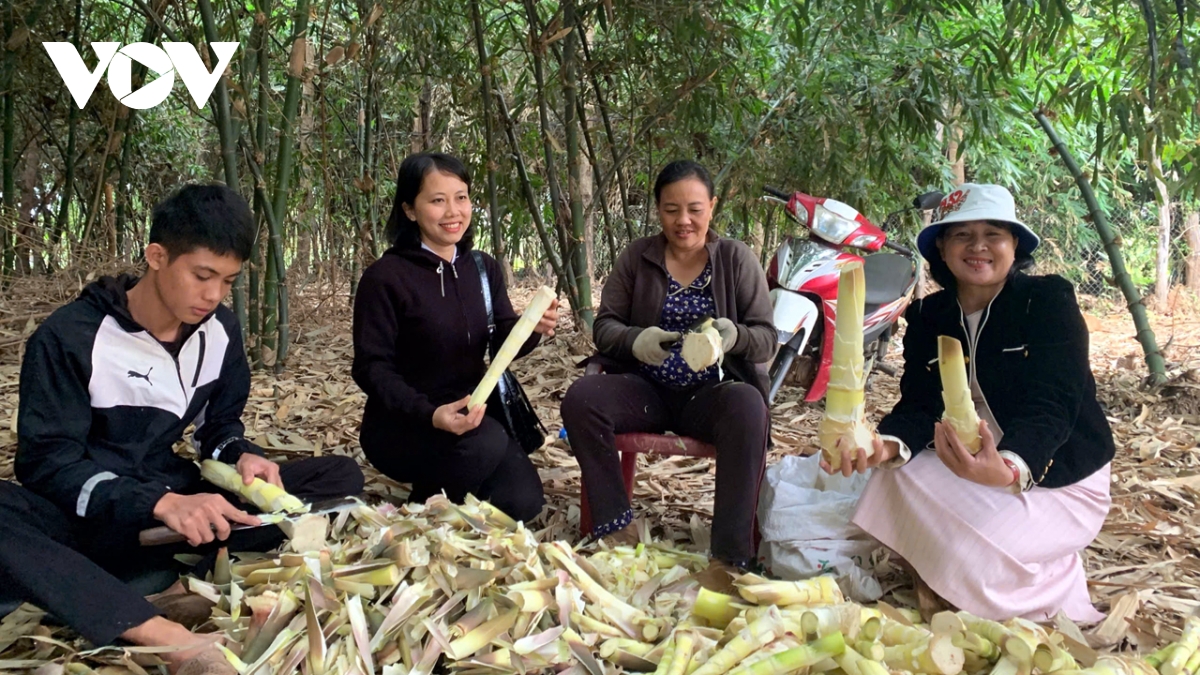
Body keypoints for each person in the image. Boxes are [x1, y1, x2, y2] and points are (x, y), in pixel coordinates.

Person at [0, 184, 364, 674]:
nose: (213, 295)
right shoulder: (70, 338)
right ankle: (155, 629)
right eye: (202, 275)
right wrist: (157, 503)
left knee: (338, 477)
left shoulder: (220, 332)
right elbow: (48, 466)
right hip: (86, 518)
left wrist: (241, 457)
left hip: (172, 519)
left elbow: (218, 429)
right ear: (157, 256)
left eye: (227, 280)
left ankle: (118, 583)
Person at [826, 183, 1114, 622]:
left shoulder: (1047, 301)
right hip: (970, 461)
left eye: (994, 234)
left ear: (1014, 244)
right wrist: (881, 445)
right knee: (892, 477)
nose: (978, 247)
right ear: (941, 247)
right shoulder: (928, 315)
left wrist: (1011, 466)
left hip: (1058, 475)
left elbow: (1053, 402)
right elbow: (919, 406)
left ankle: (1052, 580)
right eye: (962, 235)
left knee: (968, 560)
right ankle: (1001, 560)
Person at [560, 160, 776, 585]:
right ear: (658, 210)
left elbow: (767, 337)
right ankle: (613, 526)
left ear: (712, 207)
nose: (684, 220)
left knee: (748, 405)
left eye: (694, 208)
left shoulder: (735, 259)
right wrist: (636, 340)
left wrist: (733, 337)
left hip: (711, 395)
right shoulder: (637, 258)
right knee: (581, 400)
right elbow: (605, 326)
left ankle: (731, 557)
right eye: (671, 209)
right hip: (647, 389)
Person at [352, 152, 558, 523]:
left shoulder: (482, 268)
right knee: (486, 444)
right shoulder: (386, 278)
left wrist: (533, 328)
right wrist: (430, 415)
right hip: (405, 424)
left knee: (522, 503)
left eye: (461, 197)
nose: (453, 212)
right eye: (437, 200)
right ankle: (422, 505)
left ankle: (450, 489)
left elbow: (501, 344)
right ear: (410, 210)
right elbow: (371, 368)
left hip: (473, 414)